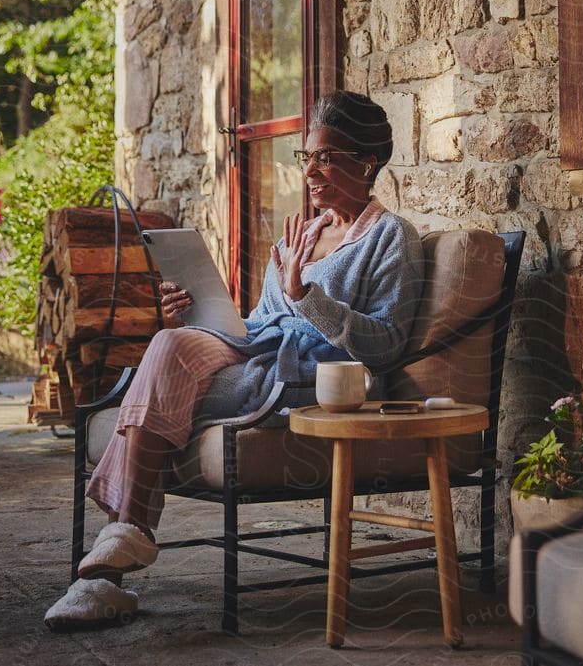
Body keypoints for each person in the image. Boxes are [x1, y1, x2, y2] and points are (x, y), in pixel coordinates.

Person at [44, 90, 424, 630]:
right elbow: (258, 321)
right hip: (257, 348)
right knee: (169, 343)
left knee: (162, 385)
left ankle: (106, 575)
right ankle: (121, 545)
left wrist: (305, 297)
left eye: (327, 157)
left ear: (366, 162)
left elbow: (386, 345)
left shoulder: (391, 237)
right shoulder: (305, 232)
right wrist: (197, 312)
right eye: (307, 156)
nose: (312, 171)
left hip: (309, 377)